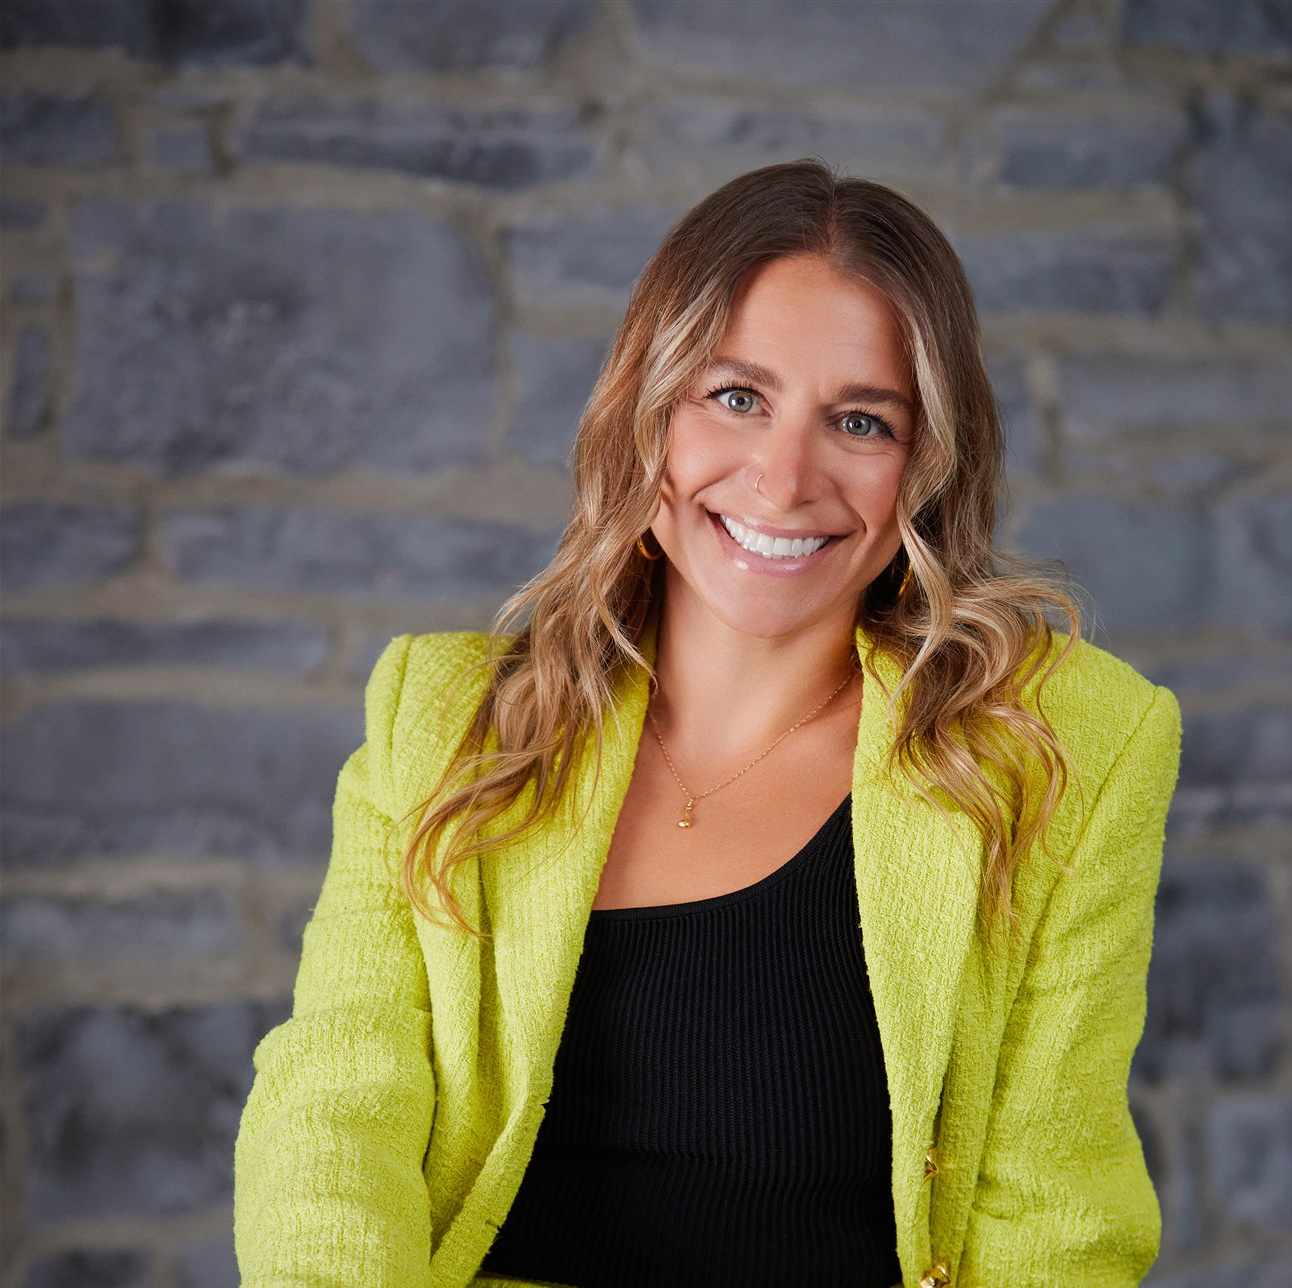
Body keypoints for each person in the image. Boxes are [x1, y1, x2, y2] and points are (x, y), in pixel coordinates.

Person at [234, 159, 1181, 1288]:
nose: (783, 479)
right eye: (736, 397)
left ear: (925, 467)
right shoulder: (443, 720)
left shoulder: (1063, 750)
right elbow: (335, 1113)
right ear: (648, 415)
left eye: (860, 421)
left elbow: (1053, 1220)